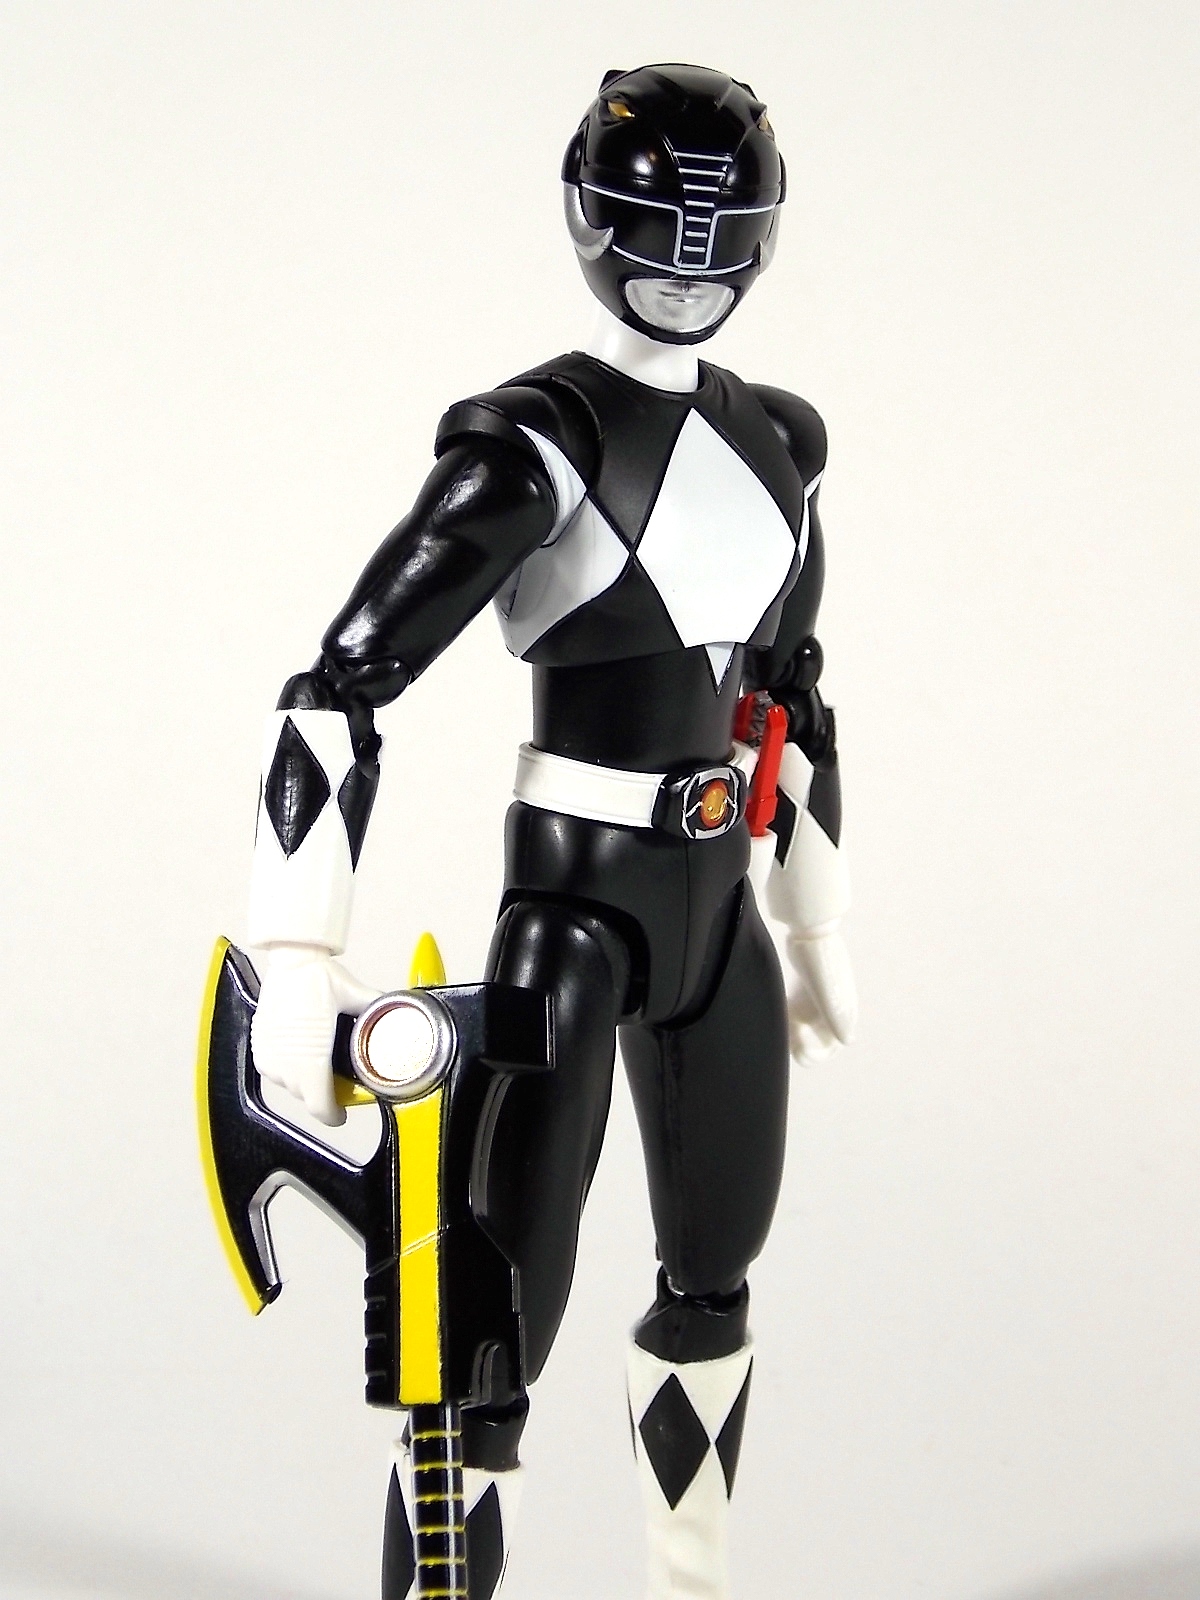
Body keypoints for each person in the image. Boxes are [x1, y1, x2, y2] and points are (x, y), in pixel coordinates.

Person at [244, 62, 856, 1600]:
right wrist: (296, 954)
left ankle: (688, 1575)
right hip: (573, 920)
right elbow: (342, 681)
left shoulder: (781, 446)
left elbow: (790, 696)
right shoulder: (541, 439)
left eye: (719, 242)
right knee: (486, 1322)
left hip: (718, 917)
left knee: (714, 1281)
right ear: (596, 223)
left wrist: (814, 920)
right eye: (660, 237)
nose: (688, 274)